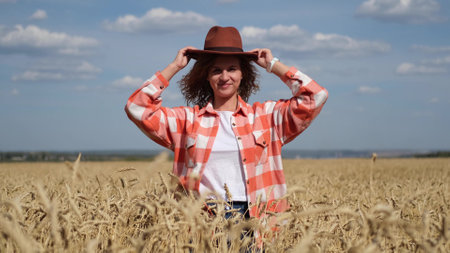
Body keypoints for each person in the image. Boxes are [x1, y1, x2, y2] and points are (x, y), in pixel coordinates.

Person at [125, 26, 328, 220]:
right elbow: (137, 107)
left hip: (256, 219)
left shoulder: (266, 117)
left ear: (242, 74)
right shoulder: (187, 121)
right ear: (206, 75)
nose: (225, 77)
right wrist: (173, 67)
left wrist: (274, 65)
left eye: (232, 69)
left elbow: (315, 96)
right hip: (201, 219)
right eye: (216, 70)